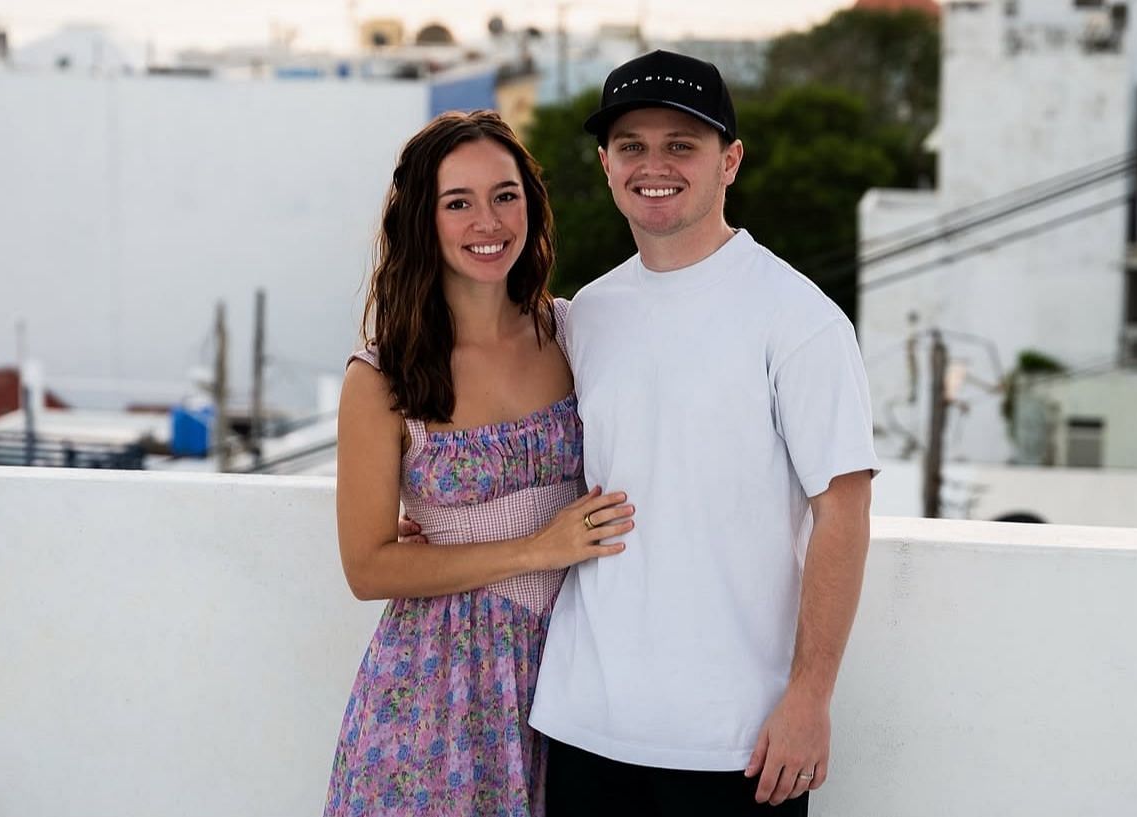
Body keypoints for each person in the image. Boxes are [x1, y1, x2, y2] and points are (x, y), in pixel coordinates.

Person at [528, 50, 879, 816]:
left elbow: (844, 513)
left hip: (739, 742)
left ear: (731, 160)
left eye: (681, 144)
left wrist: (810, 696)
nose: (655, 165)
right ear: (606, 163)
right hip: (583, 726)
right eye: (632, 147)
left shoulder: (800, 317)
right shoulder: (587, 313)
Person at [324, 110, 634, 817]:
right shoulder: (381, 378)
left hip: (573, 677)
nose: (486, 221)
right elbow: (368, 566)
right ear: (422, 223)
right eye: (457, 202)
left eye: (504, 195)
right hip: (438, 691)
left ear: (531, 202)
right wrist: (536, 546)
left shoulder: (572, 332)